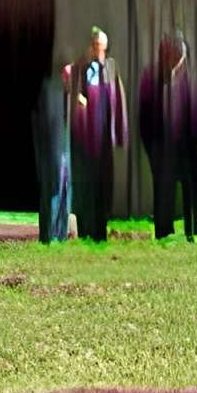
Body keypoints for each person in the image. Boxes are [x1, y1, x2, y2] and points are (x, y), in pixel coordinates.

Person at [137, 32, 197, 242]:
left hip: (187, 146)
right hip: (161, 147)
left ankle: (193, 231)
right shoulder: (151, 78)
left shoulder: (191, 78)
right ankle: (163, 232)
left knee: (191, 190)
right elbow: (144, 116)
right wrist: (151, 150)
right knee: (163, 191)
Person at [68, 24, 126, 242]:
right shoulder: (80, 68)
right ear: (90, 47)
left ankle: (100, 230)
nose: (98, 51)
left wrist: (119, 133)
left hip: (103, 139)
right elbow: (73, 97)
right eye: (95, 46)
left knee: (103, 186)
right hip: (85, 139)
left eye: (101, 47)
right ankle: (85, 229)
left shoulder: (111, 68)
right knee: (85, 185)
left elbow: (118, 100)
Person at [35, 56, 75, 244]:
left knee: (65, 192)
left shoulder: (74, 96)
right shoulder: (50, 92)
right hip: (53, 152)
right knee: (52, 192)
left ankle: (61, 234)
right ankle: (49, 235)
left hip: (67, 151)